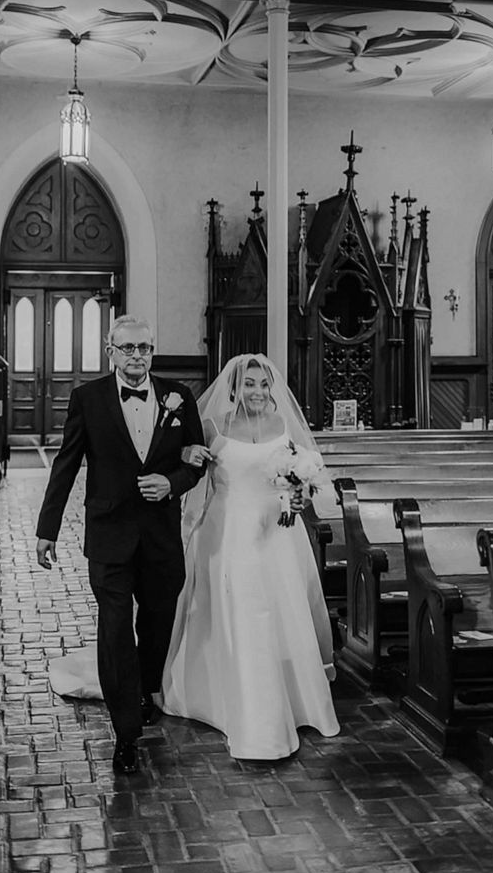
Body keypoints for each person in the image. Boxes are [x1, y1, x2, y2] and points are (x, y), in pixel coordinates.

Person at [35, 315, 205, 775]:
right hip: (109, 534)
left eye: (144, 348)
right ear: (111, 350)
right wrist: (46, 528)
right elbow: (66, 465)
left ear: (153, 350)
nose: (137, 356)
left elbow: (197, 460)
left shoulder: (179, 397)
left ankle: (147, 686)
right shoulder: (87, 399)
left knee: (157, 621)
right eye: (127, 348)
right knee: (113, 631)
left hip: (161, 536)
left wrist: (172, 483)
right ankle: (125, 731)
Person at [160, 353, 340, 759]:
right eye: (249, 384)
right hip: (229, 531)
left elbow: (304, 482)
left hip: (278, 534)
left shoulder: (282, 426)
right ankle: (244, 710)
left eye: (263, 384)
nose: (257, 392)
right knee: (241, 613)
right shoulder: (214, 426)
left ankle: (291, 702)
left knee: (280, 611)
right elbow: (189, 471)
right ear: (234, 388)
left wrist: (298, 495)